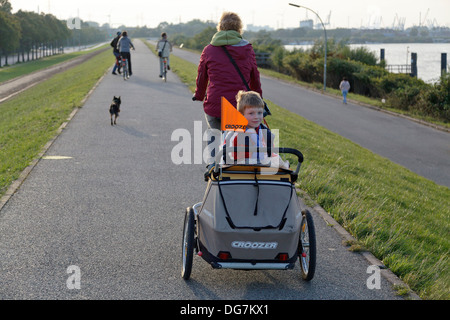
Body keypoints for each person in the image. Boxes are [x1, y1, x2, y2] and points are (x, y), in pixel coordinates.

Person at [192, 12, 262, 132]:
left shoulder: (209, 50)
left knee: (214, 140)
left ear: (220, 27)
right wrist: (257, 99)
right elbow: (255, 77)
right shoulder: (247, 49)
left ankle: (215, 150)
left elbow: (201, 77)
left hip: (214, 105)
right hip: (237, 106)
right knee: (234, 145)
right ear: (239, 28)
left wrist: (199, 95)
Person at [223, 91, 289, 170]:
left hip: (261, 165)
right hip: (239, 166)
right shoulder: (235, 132)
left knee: (277, 160)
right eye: (251, 113)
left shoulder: (265, 131)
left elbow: (270, 152)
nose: (256, 117)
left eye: (259, 113)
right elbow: (226, 155)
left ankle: (287, 172)